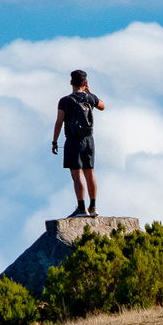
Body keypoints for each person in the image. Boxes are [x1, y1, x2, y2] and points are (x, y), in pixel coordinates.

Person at [52, 70, 105, 217]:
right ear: (85, 83)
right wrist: (91, 93)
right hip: (89, 140)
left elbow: (59, 122)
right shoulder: (90, 98)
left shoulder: (65, 101)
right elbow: (102, 106)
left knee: (77, 175)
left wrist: (55, 141)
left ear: (71, 82)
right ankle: (93, 207)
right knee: (90, 173)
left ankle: (81, 208)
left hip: (73, 140)